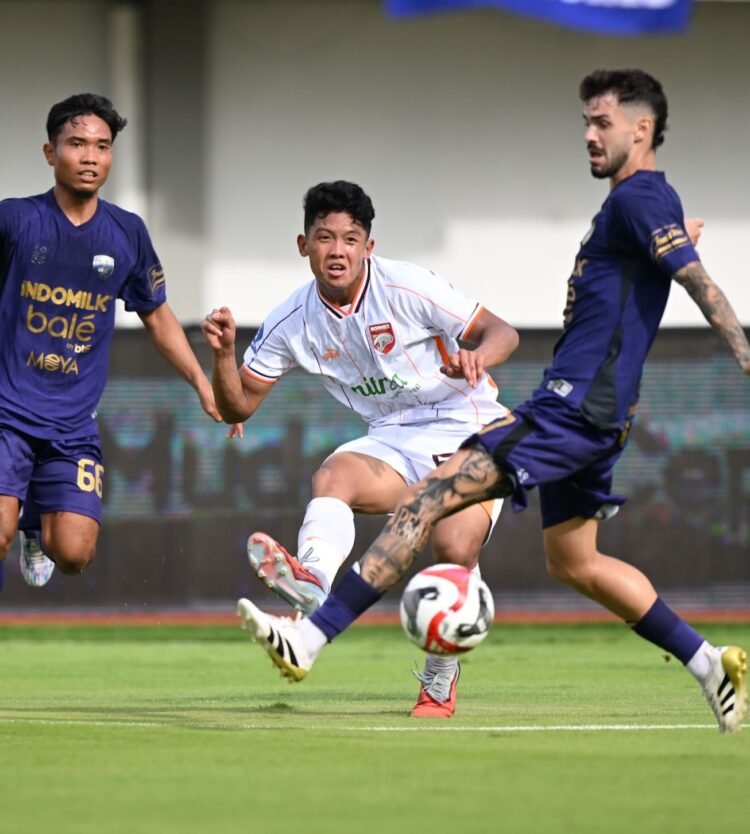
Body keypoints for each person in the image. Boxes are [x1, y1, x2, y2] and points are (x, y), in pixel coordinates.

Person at [235, 69, 748, 733]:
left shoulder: (638, 198)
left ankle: (308, 639)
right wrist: (672, 232)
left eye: (603, 123)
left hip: (569, 409)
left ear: (642, 129)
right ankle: (711, 664)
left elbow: (695, 279)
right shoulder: (639, 205)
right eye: (586, 123)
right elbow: (659, 257)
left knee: (426, 502)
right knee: (576, 562)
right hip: (600, 416)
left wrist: (743, 350)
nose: (589, 135)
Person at [201, 179, 519, 717]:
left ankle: (440, 677)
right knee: (333, 477)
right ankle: (312, 582)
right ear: (303, 245)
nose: (337, 250)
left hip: (469, 424)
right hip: (393, 435)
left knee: (453, 547)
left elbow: (502, 332)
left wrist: (478, 357)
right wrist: (224, 354)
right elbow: (238, 407)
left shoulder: (407, 285)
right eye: (325, 237)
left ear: (368, 246)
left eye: (350, 239)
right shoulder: (292, 319)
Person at [0, 93, 234, 594]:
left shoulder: (127, 232)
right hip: (7, 411)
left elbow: (158, 316)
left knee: (74, 554)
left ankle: (35, 525)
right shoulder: (15, 220)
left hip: (72, 424)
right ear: (50, 152)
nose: (90, 157)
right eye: (77, 144)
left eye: (102, 146)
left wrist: (202, 383)